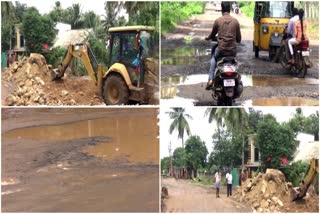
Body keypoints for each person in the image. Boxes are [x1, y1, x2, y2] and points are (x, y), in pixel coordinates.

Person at [205, 2, 241, 90]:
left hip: (221, 50)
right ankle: (238, 80)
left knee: (213, 58)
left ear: (222, 9)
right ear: (230, 9)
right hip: (232, 51)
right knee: (235, 62)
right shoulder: (235, 21)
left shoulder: (218, 21)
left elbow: (212, 34)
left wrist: (208, 38)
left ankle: (210, 79)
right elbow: (239, 39)